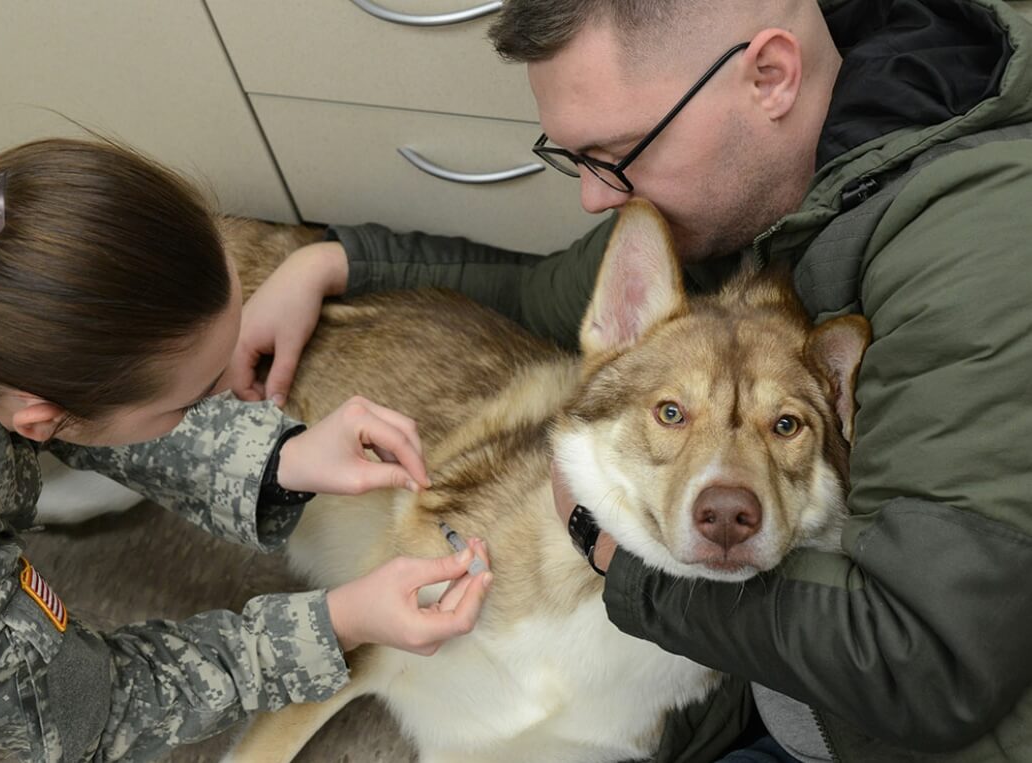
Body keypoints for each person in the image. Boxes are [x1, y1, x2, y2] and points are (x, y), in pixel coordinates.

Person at [226, 0, 1032, 761]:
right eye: (576, 159)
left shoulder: (979, 254)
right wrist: (336, 257)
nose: (591, 197)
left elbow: (934, 669)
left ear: (770, 76)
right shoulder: (762, 174)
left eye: (620, 154)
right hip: (788, 656)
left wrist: (616, 557)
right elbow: (547, 293)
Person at [0, 130, 493, 762]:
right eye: (194, 399)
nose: (234, 390)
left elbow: (86, 361)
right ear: (42, 420)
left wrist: (274, 459)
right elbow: (86, 711)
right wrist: (335, 623)